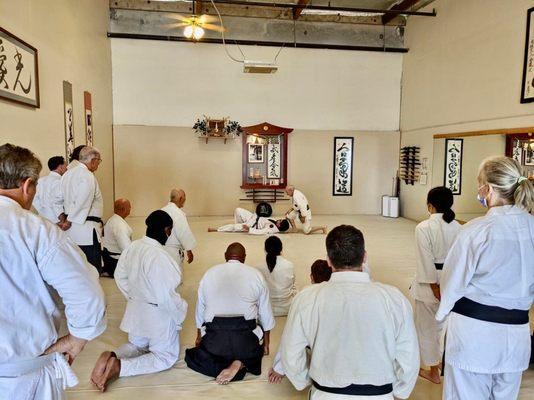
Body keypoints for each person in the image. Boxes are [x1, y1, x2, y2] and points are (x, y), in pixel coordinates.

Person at [0, 143, 106, 399]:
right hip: (23, 376)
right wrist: (77, 339)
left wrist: (63, 215)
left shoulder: (68, 175)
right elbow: (86, 294)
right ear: (27, 186)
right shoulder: (34, 230)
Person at [280, 225, 419, 399]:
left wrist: (304, 381)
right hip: (380, 395)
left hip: (325, 394)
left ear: (328, 260)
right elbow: (409, 356)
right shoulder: (393, 298)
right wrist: (398, 390)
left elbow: (290, 353)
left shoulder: (307, 298)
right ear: (365, 257)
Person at [436, 156, 534, 400]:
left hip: (474, 335)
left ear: (488, 189)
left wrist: (440, 321)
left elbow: (452, 283)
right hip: (517, 336)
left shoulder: (477, 230)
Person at [91, 210, 188, 392]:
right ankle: (120, 367)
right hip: (157, 316)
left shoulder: (133, 247)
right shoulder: (160, 256)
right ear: (167, 230)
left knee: (138, 345)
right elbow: (165, 296)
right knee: (165, 356)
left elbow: (120, 277)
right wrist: (180, 313)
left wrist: (135, 296)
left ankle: (113, 355)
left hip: (135, 311)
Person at [185, 242, 275, 384]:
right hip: (245, 340)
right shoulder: (256, 275)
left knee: (192, 356)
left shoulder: (209, 273)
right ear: (244, 258)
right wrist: (266, 344)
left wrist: (198, 336)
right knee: (255, 351)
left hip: (215, 341)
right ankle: (241, 363)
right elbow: (266, 313)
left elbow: (200, 309)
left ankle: (220, 367)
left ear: (225, 256)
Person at [409, 186, 461, 384]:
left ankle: (433, 370)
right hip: (452, 280)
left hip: (430, 285)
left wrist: (434, 287)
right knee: (444, 327)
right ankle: (441, 363)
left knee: (426, 328)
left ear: (430, 206)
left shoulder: (423, 227)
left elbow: (425, 259)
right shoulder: (458, 227)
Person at [268, 259, 332, 384]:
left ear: (311, 277)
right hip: (338, 348)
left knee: (294, 330)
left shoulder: (304, 296)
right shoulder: (341, 293)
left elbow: (291, 337)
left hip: (314, 343)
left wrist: (279, 368)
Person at [61, 146, 104, 271]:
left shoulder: (67, 174)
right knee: (91, 269)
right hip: (85, 230)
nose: (98, 165)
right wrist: (69, 220)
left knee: (75, 267)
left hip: (71, 231)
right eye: (99, 161)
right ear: (93, 160)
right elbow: (82, 201)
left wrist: (62, 218)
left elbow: (58, 199)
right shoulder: (87, 175)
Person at [257, 236, 296, 316]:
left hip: (266, 309)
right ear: (281, 249)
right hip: (288, 308)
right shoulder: (289, 265)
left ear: (265, 249)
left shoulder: (258, 267)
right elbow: (292, 285)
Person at [161, 188, 196, 268]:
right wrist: (189, 250)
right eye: (184, 198)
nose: (185, 201)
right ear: (180, 199)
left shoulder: (161, 211)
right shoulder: (179, 214)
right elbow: (184, 233)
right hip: (174, 252)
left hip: (160, 250)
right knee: (176, 277)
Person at [102, 198, 133, 277]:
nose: (130, 209)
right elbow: (126, 247)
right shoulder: (119, 225)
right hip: (116, 263)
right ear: (123, 209)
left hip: (111, 260)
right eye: (129, 207)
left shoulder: (113, 220)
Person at [32, 155, 67, 224]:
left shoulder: (40, 180)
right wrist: (62, 219)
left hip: (43, 219)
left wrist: (43, 212)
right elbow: (57, 202)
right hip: (58, 220)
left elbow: (34, 199)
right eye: (66, 165)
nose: (67, 168)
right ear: (61, 167)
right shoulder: (60, 181)